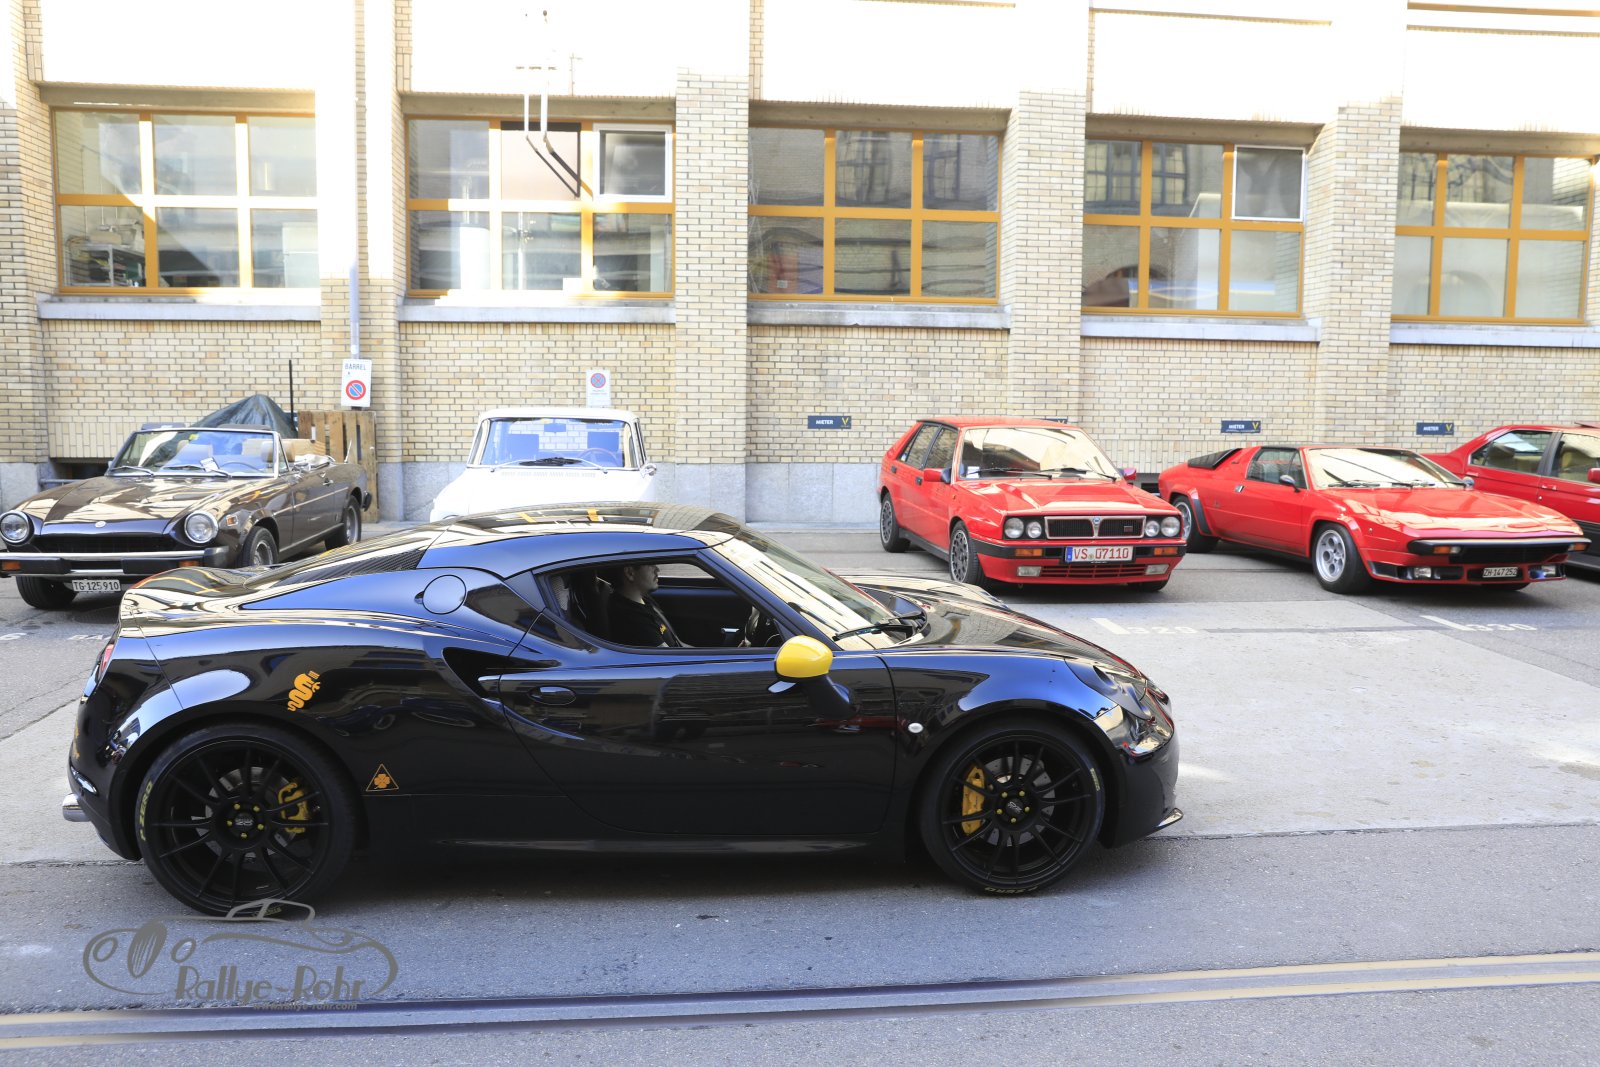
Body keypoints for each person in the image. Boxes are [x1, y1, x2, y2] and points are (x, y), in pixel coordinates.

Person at [605, 563, 683, 647]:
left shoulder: (644, 599)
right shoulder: (635, 623)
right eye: (650, 564)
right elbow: (668, 654)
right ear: (630, 573)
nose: (657, 569)